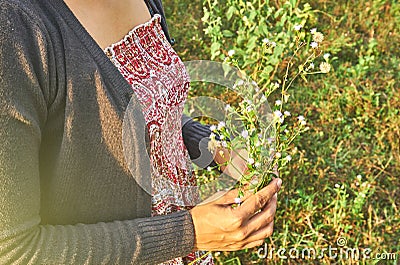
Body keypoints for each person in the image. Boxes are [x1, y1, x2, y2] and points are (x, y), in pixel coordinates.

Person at [0, 0, 282, 264]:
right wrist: (189, 233)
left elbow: (142, 107)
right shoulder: (15, 29)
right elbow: (14, 250)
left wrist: (213, 149)